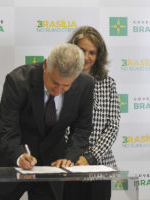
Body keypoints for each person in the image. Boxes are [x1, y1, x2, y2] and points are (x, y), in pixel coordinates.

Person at [0, 43, 94, 200]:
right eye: (54, 82)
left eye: (66, 86)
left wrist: (70, 158)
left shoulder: (86, 84)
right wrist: (19, 156)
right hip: (8, 159)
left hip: (51, 165)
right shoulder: (18, 80)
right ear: (46, 65)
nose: (58, 90)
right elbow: (7, 127)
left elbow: (82, 128)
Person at [63, 26, 120, 200]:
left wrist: (90, 158)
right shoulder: (61, 80)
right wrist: (74, 158)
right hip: (68, 165)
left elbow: (112, 126)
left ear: (98, 56)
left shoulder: (108, 83)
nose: (86, 57)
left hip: (100, 165)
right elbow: (60, 124)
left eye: (92, 52)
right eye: (81, 50)